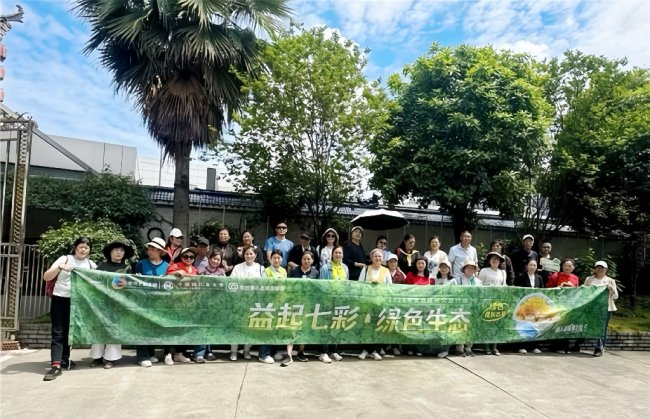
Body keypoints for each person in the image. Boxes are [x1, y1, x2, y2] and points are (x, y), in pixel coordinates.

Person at [42, 237, 97, 381]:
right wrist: (60, 267)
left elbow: (99, 283)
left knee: (70, 331)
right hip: (60, 299)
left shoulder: (91, 265)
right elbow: (46, 276)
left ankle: (64, 359)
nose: (83, 249)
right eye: (81, 246)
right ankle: (55, 366)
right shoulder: (65, 259)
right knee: (58, 332)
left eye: (86, 247)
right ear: (75, 247)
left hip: (79, 302)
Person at [89, 240, 134, 369]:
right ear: (110, 252)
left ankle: (110, 358)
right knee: (99, 330)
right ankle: (97, 357)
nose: (119, 252)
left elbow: (130, 287)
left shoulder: (127, 268)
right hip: (102, 303)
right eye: (116, 250)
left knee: (114, 331)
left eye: (121, 250)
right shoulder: (102, 266)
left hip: (118, 304)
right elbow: (94, 282)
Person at [134, 237, 169, 367]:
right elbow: (133, 282)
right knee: (142, 329)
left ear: (160, 251)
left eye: (153, 249)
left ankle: (150, 353)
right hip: (143, 302)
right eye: (149, 249)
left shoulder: (167, 266)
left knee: (155, 328)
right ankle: (142, 356)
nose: (150, 251)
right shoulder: (141, 264)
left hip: (160, 303)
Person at [230, 246, 264, 362]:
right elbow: (231, 283)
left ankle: (246, 350)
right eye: (246, 254)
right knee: (236, 327)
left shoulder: (261, 268)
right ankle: (234, 351)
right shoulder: (237, 267)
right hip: (239, 301)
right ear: (243, 255)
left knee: (250, 327)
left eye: (251, 254)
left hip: (253, 302)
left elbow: (263, 285)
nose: (249, 256)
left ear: (255, 255)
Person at [357, 248, 391, 361]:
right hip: (367, 303)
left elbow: (390, 287)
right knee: (366, 326)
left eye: (380, 256)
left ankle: (375, 350)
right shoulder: (366, 269)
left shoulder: (386, 271)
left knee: (377, 327)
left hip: (380, 303)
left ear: (383, 258)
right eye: (375, 256)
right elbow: (360, 285)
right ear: (371, 258)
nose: (377, 258)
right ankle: (364, 350)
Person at [318, 246, 346, 363]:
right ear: (332, 254)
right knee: (325, 326)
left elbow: (347, 285)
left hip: (340, 301)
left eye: (340, 253)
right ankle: (323, 352)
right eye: (336, 253)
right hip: (328, 301)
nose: (338, 255)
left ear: (342, 255)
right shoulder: (325, 268)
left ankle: (334, 350)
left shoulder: (345, 268)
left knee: (336, 325)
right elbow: (322, 285)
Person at [584, 261, 618, 357]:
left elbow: (616, 297)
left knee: (602, 328)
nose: (600, 269)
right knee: (592, 326)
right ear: (595, 268)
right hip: (592, 307)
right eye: (598, 267)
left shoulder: (610, 281)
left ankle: (599, 348)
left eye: (602, 267)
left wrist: (612, 289)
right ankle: (578, 345)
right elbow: (584, 293)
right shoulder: (589, 279)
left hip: (606, 308)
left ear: (606, 269)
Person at [546, 258, 579, 353]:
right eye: (565, 265)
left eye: (569, 266)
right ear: (562, 266)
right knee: (557, 325)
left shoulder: (575, 278)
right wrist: (559, 287)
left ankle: (565, 347)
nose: (567, 268)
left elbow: (577, 291)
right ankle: (556, 347)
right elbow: (548, 289)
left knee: (567, 326)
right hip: (557, 304)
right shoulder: (555, 275)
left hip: (569, 305)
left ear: (573, 268)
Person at [478, 252, 506, 356]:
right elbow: (479, 285)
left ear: (500, 261)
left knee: (497, 324)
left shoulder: (503, 272)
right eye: (493, 259)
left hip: (498, 301)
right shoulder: (484, 271)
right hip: (487, 300)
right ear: (489, 260)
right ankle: (486, 346)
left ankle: (494, 347)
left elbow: (504, 285)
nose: (495, 261)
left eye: (497, 259)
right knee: (487, 324)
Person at [514, 259, 544, 355]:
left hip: (536, 306)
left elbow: (542, 291)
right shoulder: (520, 277)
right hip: (524, 306)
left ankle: (534, 346)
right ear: (527, 266)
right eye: (531, 265)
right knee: (524, 326)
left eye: (534, 265)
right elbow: (517, 291)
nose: (532, 267)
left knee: (535, 326)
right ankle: (521, 346)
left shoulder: (539, 278)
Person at [455, 260, 482, 357]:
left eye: (472, 268)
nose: (470, 269)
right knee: (461, 327)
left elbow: (481, 294)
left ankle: (469, 348)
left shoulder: (478, 282)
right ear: (464, 269)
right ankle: (459, 348)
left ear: (475, 270)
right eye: (468, 267)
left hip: (474, 308)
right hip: (462, 307)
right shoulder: (458, 280)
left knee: (472, 328)